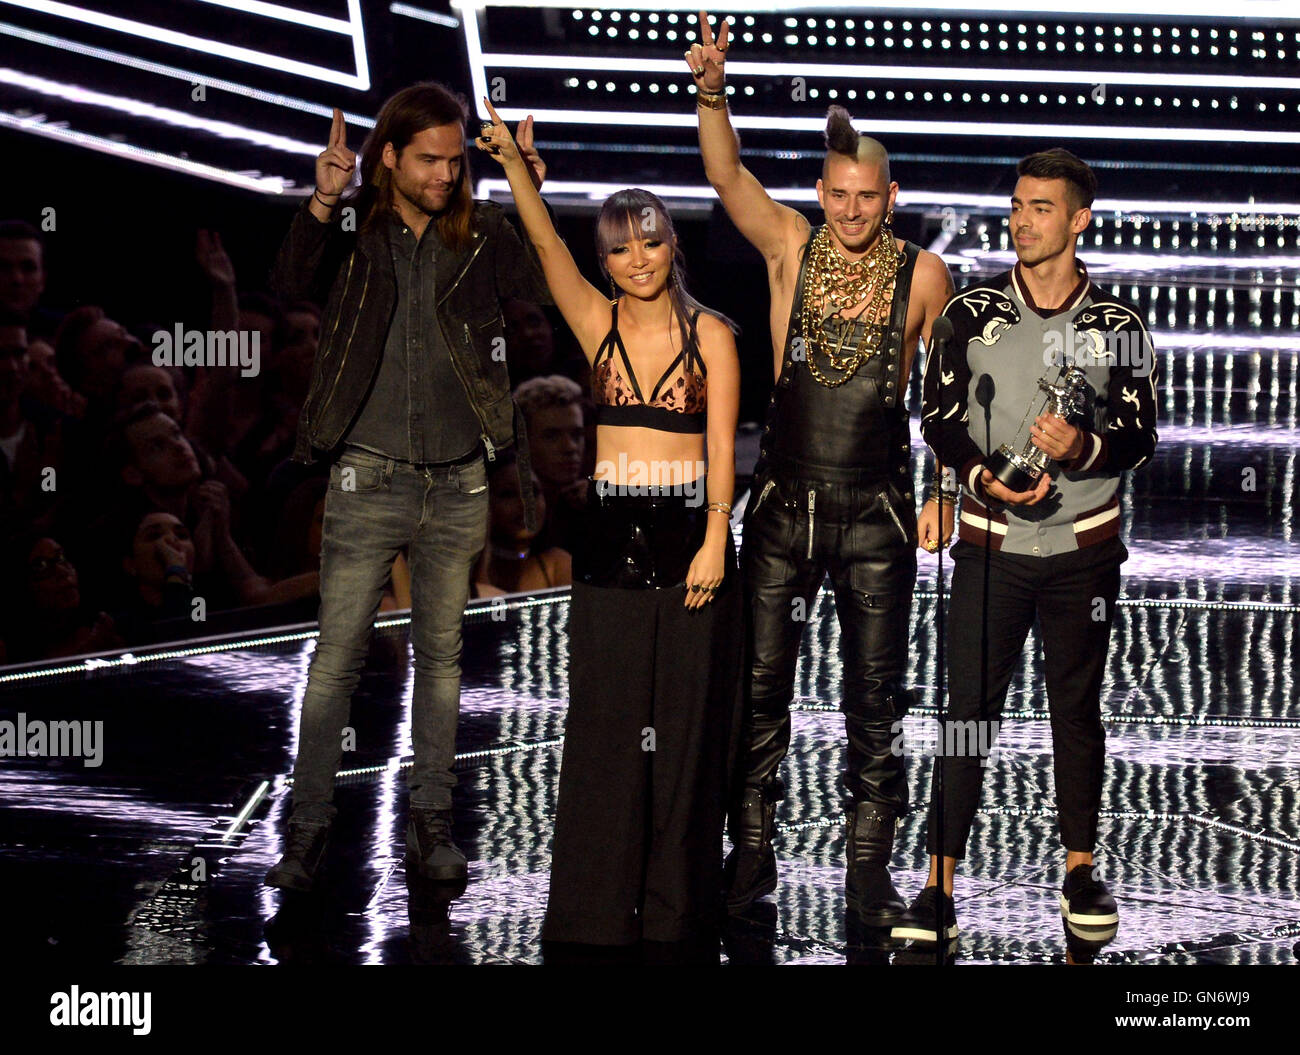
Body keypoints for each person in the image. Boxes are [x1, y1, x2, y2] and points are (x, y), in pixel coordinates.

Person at [687, 13, 954, 925]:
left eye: (866, 197)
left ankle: (869, 863)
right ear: (821, 189)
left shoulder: (927, 276)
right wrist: (713, 91)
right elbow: (725, 175)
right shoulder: (788, 246)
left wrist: (944, 492)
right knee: (761, 684)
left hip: (879, 507)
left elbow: (946, 400)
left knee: (874, 696)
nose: (849, 209)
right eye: (838, 194)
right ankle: (752, 849)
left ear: (889, 196)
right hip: (784, 499)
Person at [263, 82, 553, 893]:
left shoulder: (484, 231)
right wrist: (324, 199)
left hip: (459, 477)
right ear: (388, 156)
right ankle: (309, 828)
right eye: (429, 159)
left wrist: (527, 187)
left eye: (456, 161)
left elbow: (538, 290)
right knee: (336, 661)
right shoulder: (357, 225)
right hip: (366, 471)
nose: (445, 174)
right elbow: (288, 282)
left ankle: (432, 824)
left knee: (444, 659)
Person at [477, 98, 744, 957]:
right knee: (603, 733)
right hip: (607, 545)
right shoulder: (594, 326)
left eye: (650, 240)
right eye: (619, 247)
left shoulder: (715, 338)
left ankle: (674, 918)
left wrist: (714, 537)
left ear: (674, 243)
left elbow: (721, 452)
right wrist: (518, 170)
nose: (635, 258)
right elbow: (545, 247)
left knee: (687, 737)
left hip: (690, 540)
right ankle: (594, 917)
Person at [895, 148, 1159, 942]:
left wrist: (1081, 450)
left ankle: (1080, 873)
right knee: (967, 713)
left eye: (1041, 208)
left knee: (1074, 710)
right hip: (989, 543)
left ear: (1079, 220)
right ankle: (937, 884)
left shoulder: (1119, 328)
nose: (1022, 220)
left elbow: (1144, 434)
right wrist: (971, 480)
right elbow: (937, 419)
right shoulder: (969, 314)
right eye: (1017, 205)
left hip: (1083, 548)